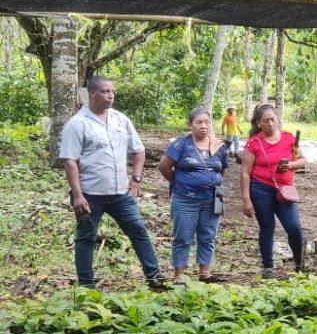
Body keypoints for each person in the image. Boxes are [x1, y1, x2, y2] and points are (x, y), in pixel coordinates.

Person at [59, 76, 166, 290]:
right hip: (90, 194)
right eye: (105, 91)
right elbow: (70, 161)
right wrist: (77, 195)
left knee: (138, 231)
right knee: (86, 237)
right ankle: (87, 286)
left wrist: (136, 177)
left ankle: (154, 277)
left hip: (120, 194)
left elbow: (139, 150)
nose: (110, 96)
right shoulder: (78, 124)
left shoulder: (120, 119)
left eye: (112, 92)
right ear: (92, 94)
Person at [158, 108, 229, 283]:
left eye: (207, 122)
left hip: (214, 197)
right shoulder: (181, 145)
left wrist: (211, 182)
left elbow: (223, 170)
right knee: (183, 236)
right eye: (198, 122)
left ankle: (205, 272)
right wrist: (180, 182)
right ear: (189, 125)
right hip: (185, 198)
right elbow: (164, 167)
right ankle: (179, 275)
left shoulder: (219, 146)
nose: (203, 126)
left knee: (209, 235)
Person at [241, 104, 306, 278]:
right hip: (261, 189)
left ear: (277, 119)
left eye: (272, 119)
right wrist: (246, 199)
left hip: (285, 190)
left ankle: (299, 264)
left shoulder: (289, 138)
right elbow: (245, 173)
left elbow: (303, 160)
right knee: (267, 227)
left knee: (294, 227)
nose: (270, 123)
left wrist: (291, 165)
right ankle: (268, 267)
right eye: (265, 121)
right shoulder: (253, 143)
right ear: (258, 123)